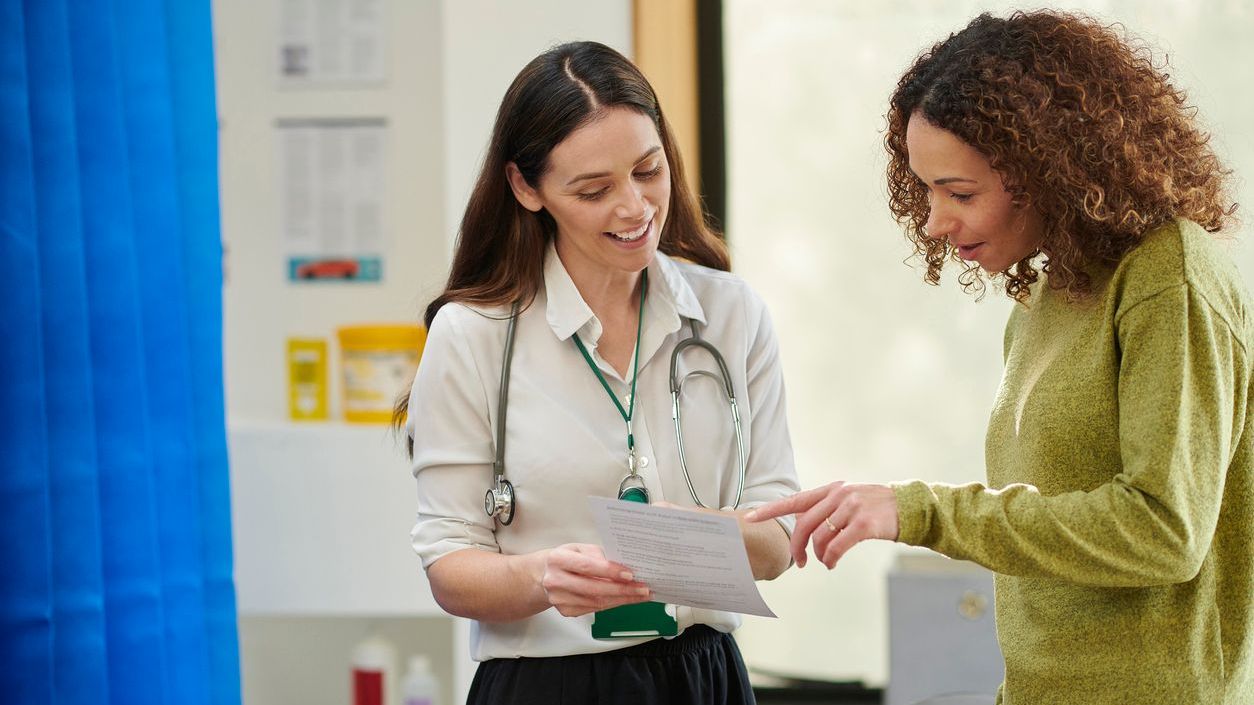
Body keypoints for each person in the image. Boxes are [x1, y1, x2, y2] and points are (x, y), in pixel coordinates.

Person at [748, 10, 1252, 704]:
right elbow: (1050, 544)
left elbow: (1164, 530)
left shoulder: (1171, 277)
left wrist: (921, 512)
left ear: (1051, 167)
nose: (933, 221)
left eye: (959, 192)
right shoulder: (1045, 297)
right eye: (925, 189)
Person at [397, 41, 799, 704]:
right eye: (593, 190)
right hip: (545, 684)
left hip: (703, 678)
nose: (635, 207)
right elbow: (449, 565)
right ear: (527, 188)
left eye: (649, 170)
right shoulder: (473, 336)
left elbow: (778, 542)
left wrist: (695, 538)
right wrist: (541, 576)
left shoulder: (731, 315)